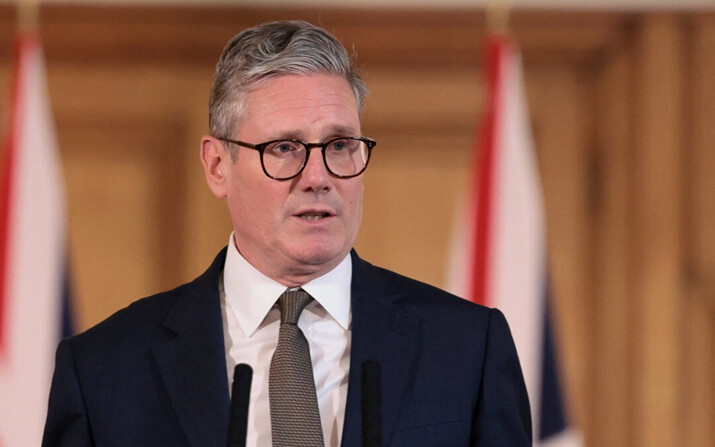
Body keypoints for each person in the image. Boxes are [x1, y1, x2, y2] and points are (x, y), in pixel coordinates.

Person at [42, 20, 531, 447]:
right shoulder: (105, 370)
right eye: (284, 148)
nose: (318, 176)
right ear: (217, 166)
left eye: (340, 145)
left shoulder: (467, 348)